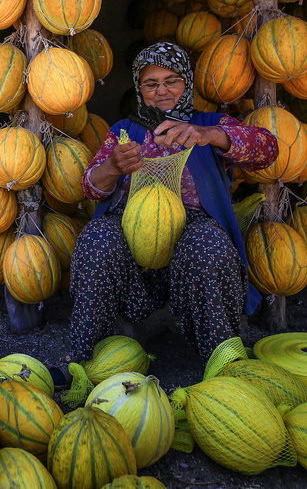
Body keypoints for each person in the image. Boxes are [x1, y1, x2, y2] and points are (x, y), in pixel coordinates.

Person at [65, 42, 279, 368]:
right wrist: (113, 167)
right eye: (151, 84)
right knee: (97, 238)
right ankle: (80, 363)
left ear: (187, 83)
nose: (162, 91)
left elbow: (267, 150)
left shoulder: (210, 123)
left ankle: (224, 366)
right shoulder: (124, 131)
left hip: (191, 246)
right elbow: (90, 188)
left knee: (209, 244)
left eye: (172, 81)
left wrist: (211, 134)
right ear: (139, 88)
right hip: (132, 250)